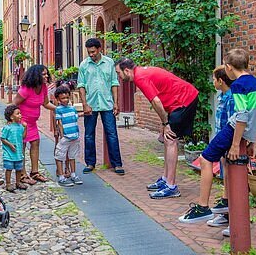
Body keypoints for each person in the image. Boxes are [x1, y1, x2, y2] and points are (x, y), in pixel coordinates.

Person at [178, 48, 256, 231]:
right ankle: (227, 202)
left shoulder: (238, 85)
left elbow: (242, 115)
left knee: (205, 159)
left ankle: (202, 206)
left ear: (228, 67)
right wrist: (254, 143)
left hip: (234, 129)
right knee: (227, 165)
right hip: (249, 133)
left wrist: (236, 144)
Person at [115, 58, 199, 198]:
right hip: (178, 101)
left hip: (184, 100)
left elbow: (156, 101)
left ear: (127, 71)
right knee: (167, 140)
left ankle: (171, 186)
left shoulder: (140, 77)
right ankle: (165, 180)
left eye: (119, 73)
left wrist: (166, 123)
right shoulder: (141, 73)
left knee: (171, 139)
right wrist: (163, 124)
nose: (119, 77)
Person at [78, 39, 125, 175]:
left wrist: (116, 103)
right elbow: (81, 86)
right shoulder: (84, 65)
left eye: (93, 51)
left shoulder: (109, 63)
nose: (91, 54)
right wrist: (85, 104)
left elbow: (114, 83)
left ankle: (117, 164)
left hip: (107, 103)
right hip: (91, 105)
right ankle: (90, 163)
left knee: (112, 134)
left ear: (99, 49)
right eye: (89, 52)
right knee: (88, 135)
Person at [13, 64, 57, 184]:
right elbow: (14, 104)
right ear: (36, 75)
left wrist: (58, 109)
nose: (46, 76)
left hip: (32, 123)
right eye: (43, 74)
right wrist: (17, 121)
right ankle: (22, 174)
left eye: (46, 73)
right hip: (22, 123)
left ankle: (35, 172)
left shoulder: (43, 87)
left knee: (35, 144)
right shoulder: (26, 89)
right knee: (21, 147)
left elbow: (45, 103)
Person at [206, 65, 235, 231]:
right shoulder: (223, 96)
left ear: (221, 81)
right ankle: (226, 215)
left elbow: (233, 123)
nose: (213, 82)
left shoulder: (231, 99)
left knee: (232, 181)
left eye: (214, 79)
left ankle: (236, 220)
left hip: (229, 145)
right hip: (222, 145)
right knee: (226, 179)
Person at [53, 84, 83, 187]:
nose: (65, 100)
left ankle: (73, 174)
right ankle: (61, 176)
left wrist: (85, 113)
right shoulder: (58, 109)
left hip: (74, 135)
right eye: (62, 98)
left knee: (72, 156)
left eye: (67, 97)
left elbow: (75, 117)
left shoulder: (72, 108)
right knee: (60, 155)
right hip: (65, 137)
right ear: (58, 99)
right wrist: (61, 135)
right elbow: (59, 122)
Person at [1, 104, 28, 192]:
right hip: (9, 153)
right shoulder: (7, 128)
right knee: (9, 168)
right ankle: (8, 183)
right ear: (11, 117)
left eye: (20, 113)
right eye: (18, 114)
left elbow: (23, 137)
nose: (20, 115)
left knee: (18, 168)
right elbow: (2, 138)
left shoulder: (20, 127)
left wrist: (25, 128)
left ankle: (18, 182)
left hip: (18, 152)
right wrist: (10, 145)